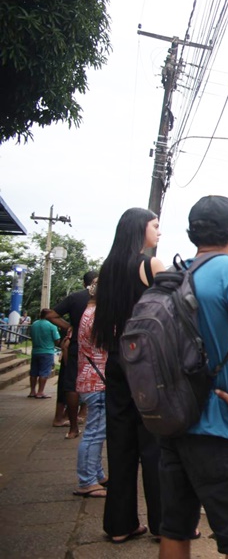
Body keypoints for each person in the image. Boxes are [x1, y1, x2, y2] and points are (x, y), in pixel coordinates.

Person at [156, 195, 228, 559]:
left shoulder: (176, 276)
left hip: (173, 425)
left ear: (192, 234)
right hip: (221, 430)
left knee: (175, 530)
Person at [93, 208, 165, 543]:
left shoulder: (107, 270)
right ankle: (164, 524)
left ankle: (120, 525)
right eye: (155, 226)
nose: (158, 232)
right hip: (146, 364)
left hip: (116, 360)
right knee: (154, 444)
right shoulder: (151, 265)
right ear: (141, 229)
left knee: (120, 445)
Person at [46, 270, 99, 437]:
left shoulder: (75, 297)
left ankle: (73, 427)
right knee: (98, 383)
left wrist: (70, 326)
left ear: (85, 284)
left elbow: (51, 314)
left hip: (76, 345)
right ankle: (93, 422)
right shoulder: (107, 299)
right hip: (99, 349)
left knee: (71, 386)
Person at [73, 276, 108, 498]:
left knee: (97, 431)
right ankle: (87, 481)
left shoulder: (88, 313)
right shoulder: (97, 316)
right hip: (98, 379)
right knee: (94, 433)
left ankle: (96, 473)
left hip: (90, 377)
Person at [28, 309, 59, 400]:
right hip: (47, 351)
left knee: (33, 372)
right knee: (44, 372)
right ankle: (40, 392)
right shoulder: (52, 326)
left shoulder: (34, 324)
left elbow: (31, 336)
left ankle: (32, 391)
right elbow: (57, 339)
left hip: (35, 351)